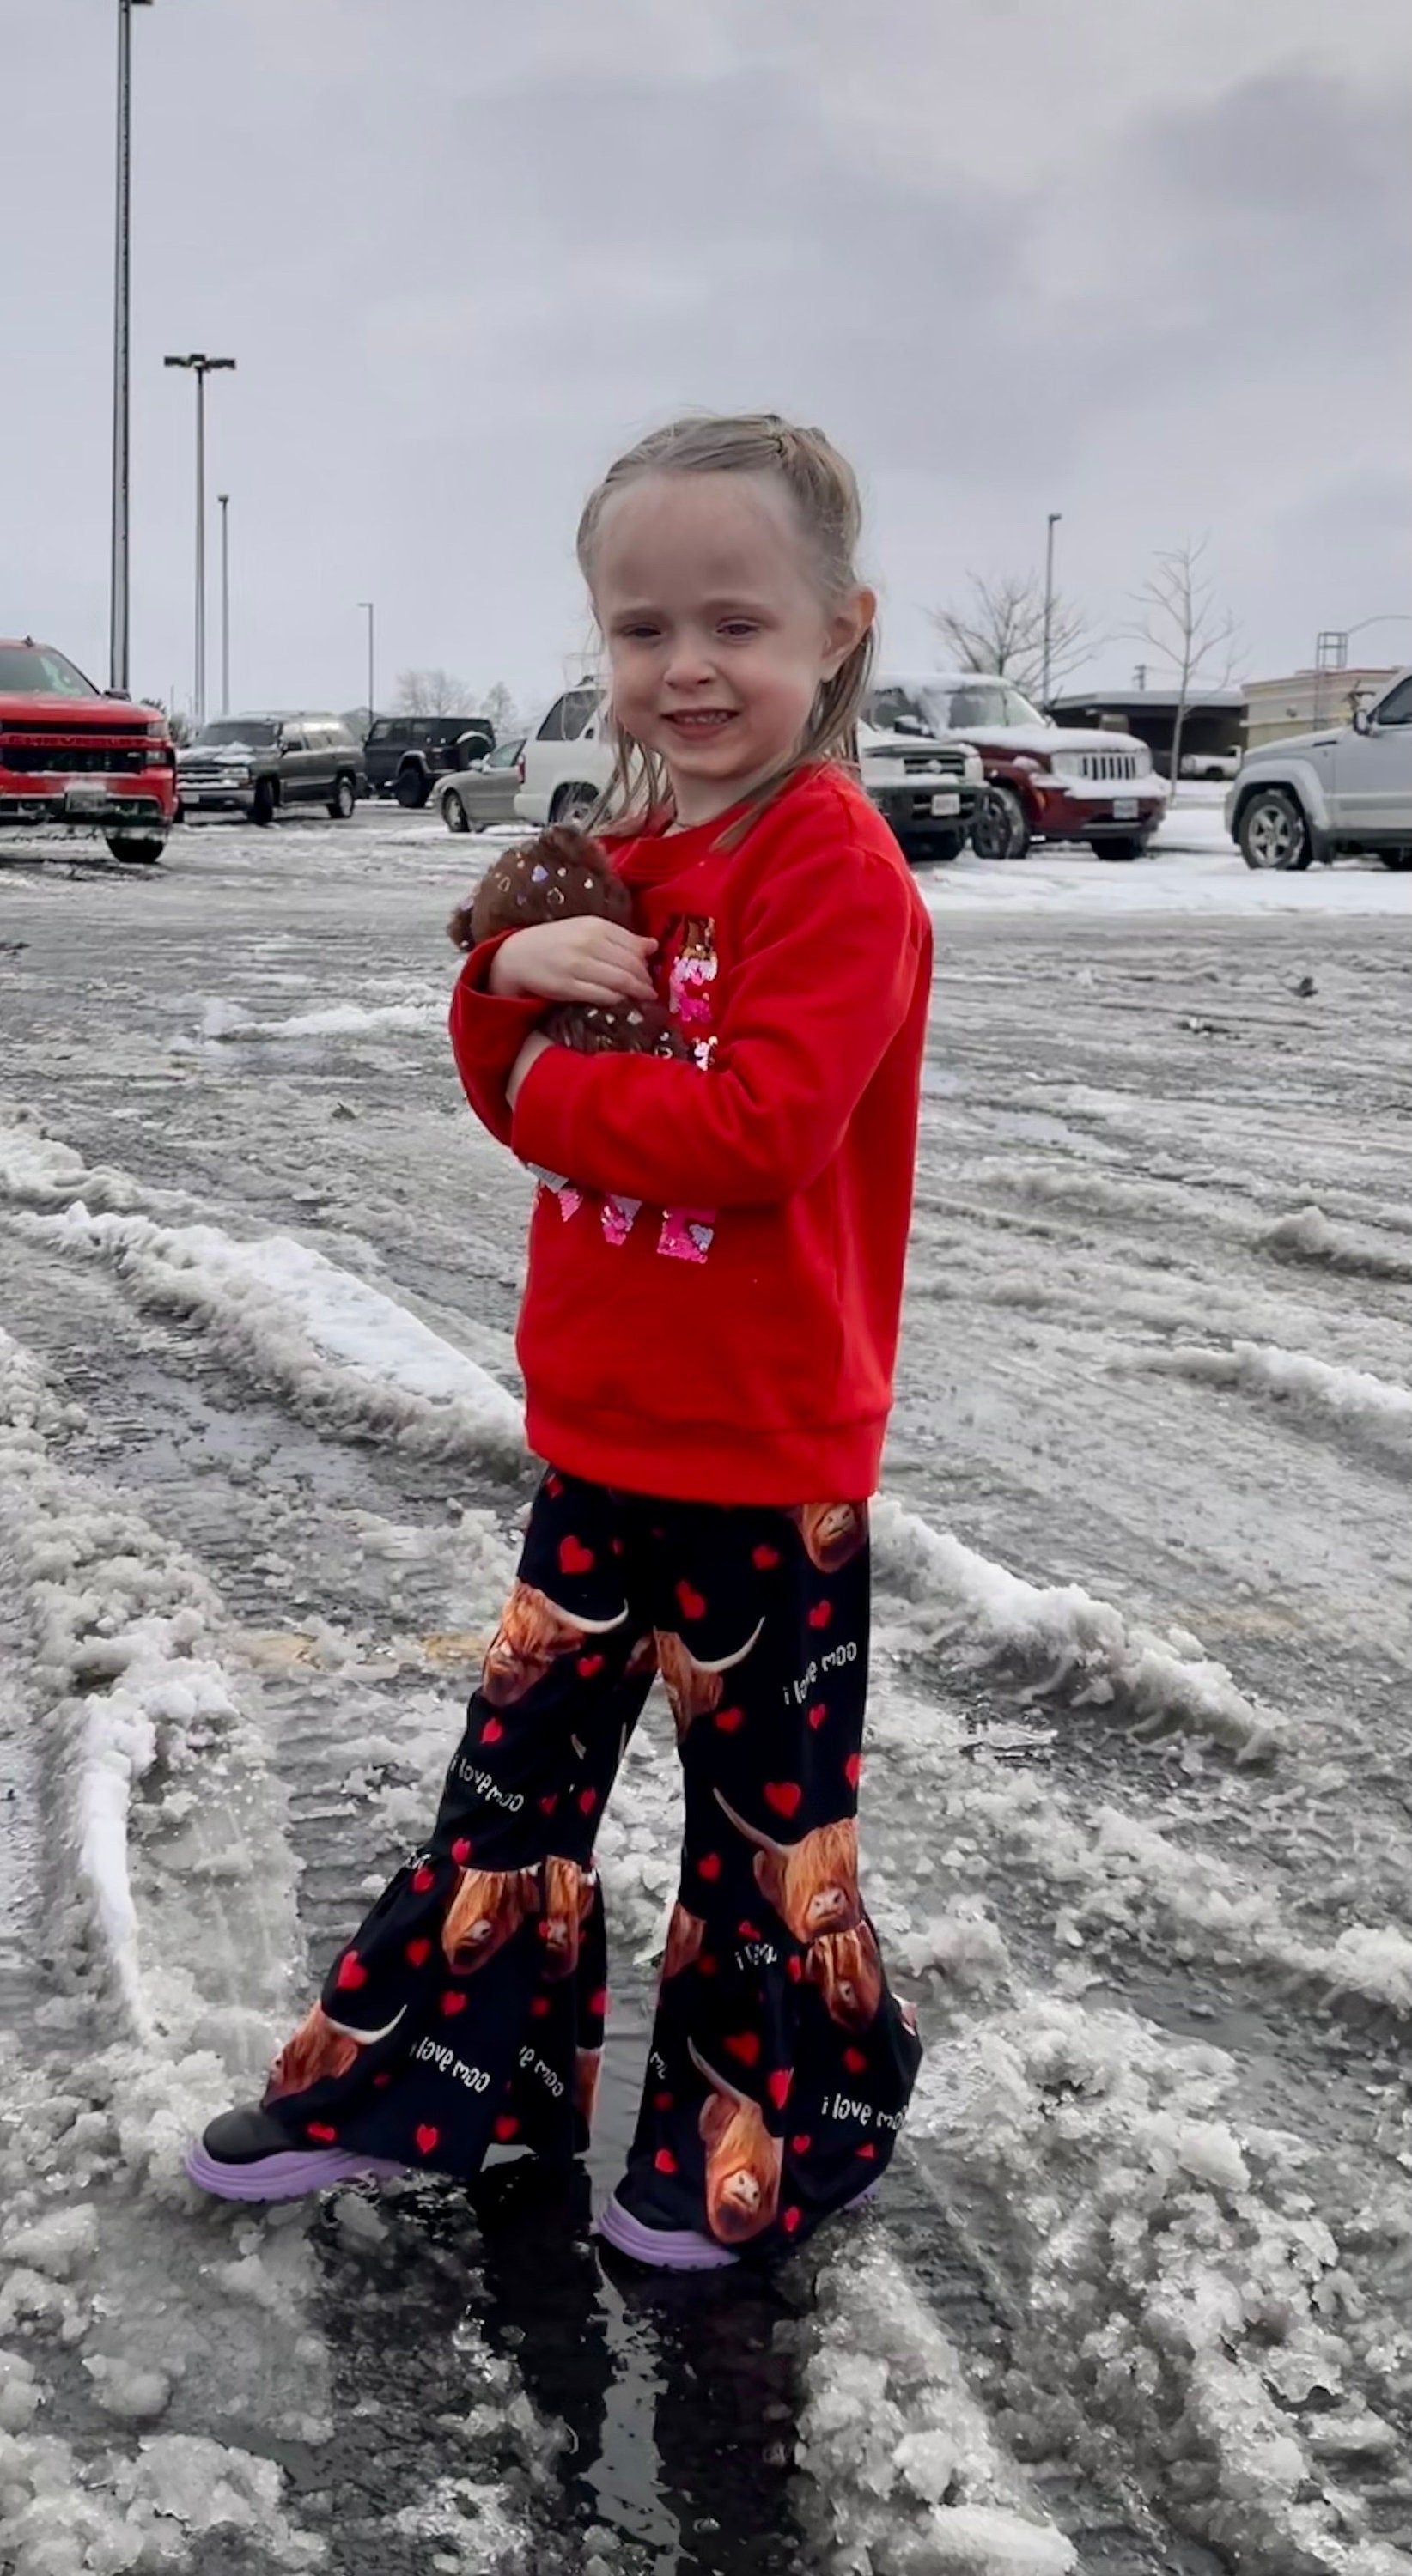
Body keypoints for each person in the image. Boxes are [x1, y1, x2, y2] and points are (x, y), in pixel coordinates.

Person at [186, 412, 931, 2269]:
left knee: (766, 1845)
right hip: (599, 1434)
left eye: (737, 626)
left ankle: (768, 2137)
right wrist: (496, 985)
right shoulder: (608, 855)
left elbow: (756, 1131)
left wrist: (530, 1073)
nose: (687, 669)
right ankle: (426, 2085)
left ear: (841, 628)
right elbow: (503, 1020)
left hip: (768, 1460)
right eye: (642, 627)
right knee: (511, 1796)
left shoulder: (828, 872)